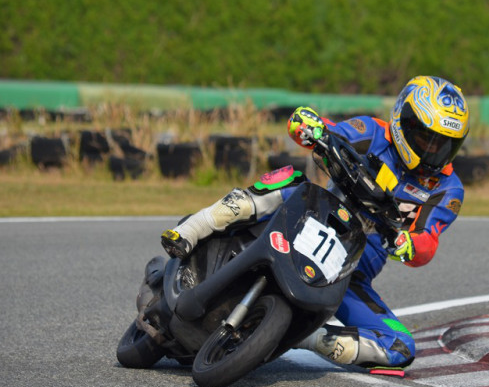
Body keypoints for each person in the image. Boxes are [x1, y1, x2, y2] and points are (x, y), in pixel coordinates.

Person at [160, 75, 470, 371]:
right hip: (309, 216)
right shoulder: (372, 131)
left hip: (348, 272)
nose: (434, 151)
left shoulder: (448, 189)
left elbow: (428, 241)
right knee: (290, 179)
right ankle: (192, 229)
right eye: (427, 139)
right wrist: (310, 126)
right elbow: (328, 132)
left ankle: (307, 338)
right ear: (404, 121)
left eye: (446, 144)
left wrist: (409, 245)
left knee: (401, 347)